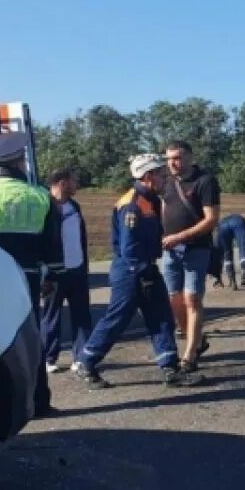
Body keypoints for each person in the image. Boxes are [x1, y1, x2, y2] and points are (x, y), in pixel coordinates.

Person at [76, 154, 202, 388]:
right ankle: (86, 361)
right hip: (132, 271)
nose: (165, 177)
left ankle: (170, 368)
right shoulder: (132, 205)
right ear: (147, 176)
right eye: (160, 173)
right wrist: (141, 272)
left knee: (161, 318)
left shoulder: (150, 199)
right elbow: (129, 247)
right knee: (118, 319)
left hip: (146, 268)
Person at [0, 132, 63, 417]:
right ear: (18, 160)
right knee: (28, 339)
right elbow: (52, 245)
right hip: (25, 279)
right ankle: (39, 401)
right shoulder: (39, 195)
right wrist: (52, 277)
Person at [161, 140, 220, 370]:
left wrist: (181, 236)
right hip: (169, 251)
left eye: (176, 157)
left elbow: (211, 219)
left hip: (196, 248)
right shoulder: (166, 182)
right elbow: (163, 209)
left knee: (192, 299)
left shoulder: (205, 181)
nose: (172, 163)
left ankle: (189, 356)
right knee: (174, 299)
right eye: (168, 159)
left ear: (190, 158)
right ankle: (197, 341)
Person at [40, 168, 93, 373]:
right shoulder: (45, 207)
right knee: (51, 316)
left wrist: (84, 265)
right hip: (55, 273)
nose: (76, 185)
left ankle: (81, 356)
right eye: (73, 181)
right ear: (62, 183)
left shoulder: (74, 207)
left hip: (77, 270)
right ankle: (48, 358)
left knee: (81, 315)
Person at [211, 213, 245, 290]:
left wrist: (218, 278)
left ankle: (232, 281)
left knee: (226, 253)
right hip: (238, 222)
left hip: (222, 225)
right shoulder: (243, 222)